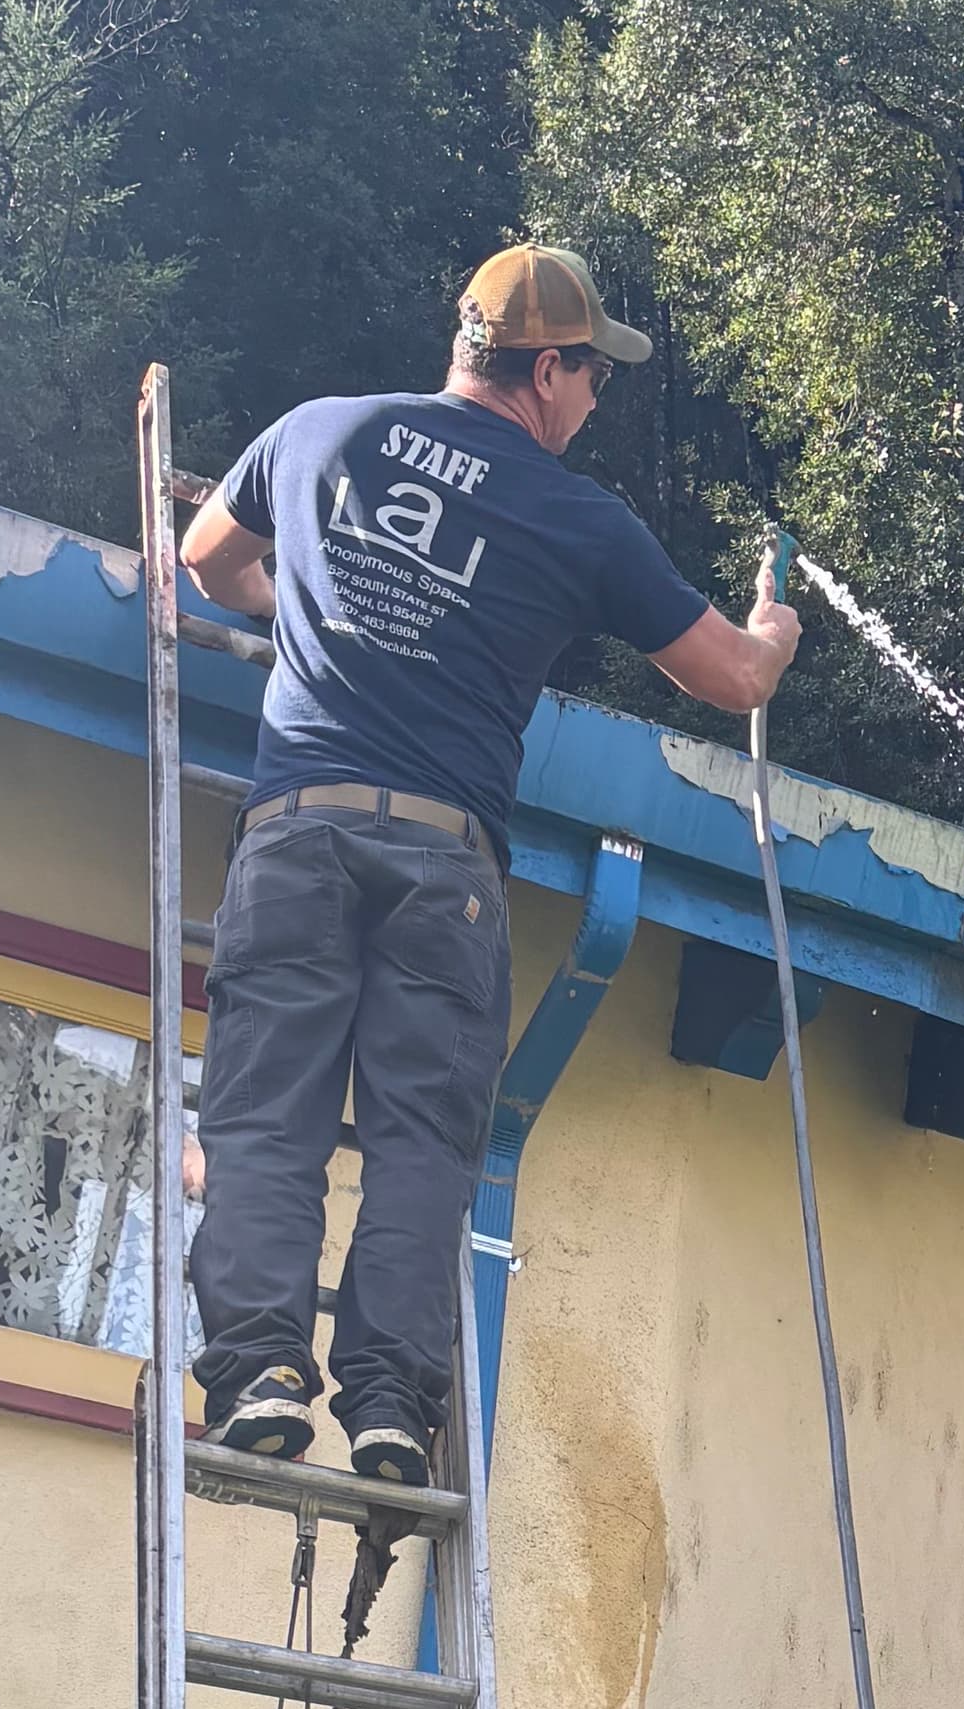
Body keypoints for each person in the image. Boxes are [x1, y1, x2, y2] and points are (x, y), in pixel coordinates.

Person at [178, 243, 801, 1485]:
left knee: (261, 1113)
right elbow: (732, 677)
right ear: (550, 370)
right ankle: (391, 1407)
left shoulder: (321, 431)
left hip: (298, 827)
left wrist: (301, 601)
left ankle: (253, 1370)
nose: (591, 405)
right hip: (444, 860)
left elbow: (207, 559)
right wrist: (776, 627)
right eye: (592, 379)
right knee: (419, 1140)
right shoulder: (576, 518)